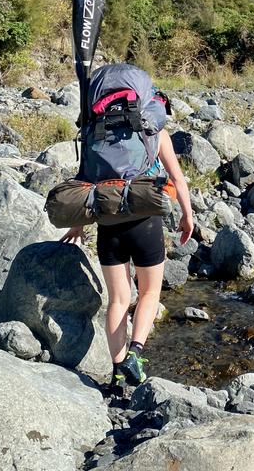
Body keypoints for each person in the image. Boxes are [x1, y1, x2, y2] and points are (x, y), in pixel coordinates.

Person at [61, 126, 193, 389]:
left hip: (108, 226)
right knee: (149, 293)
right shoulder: (156, 132)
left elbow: (84, 183)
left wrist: (78, 224)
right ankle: (135, 354)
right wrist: (187, 216)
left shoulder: (96, 131)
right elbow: (177, 178)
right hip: (145, 223)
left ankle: (118, 373)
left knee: (119, 300)